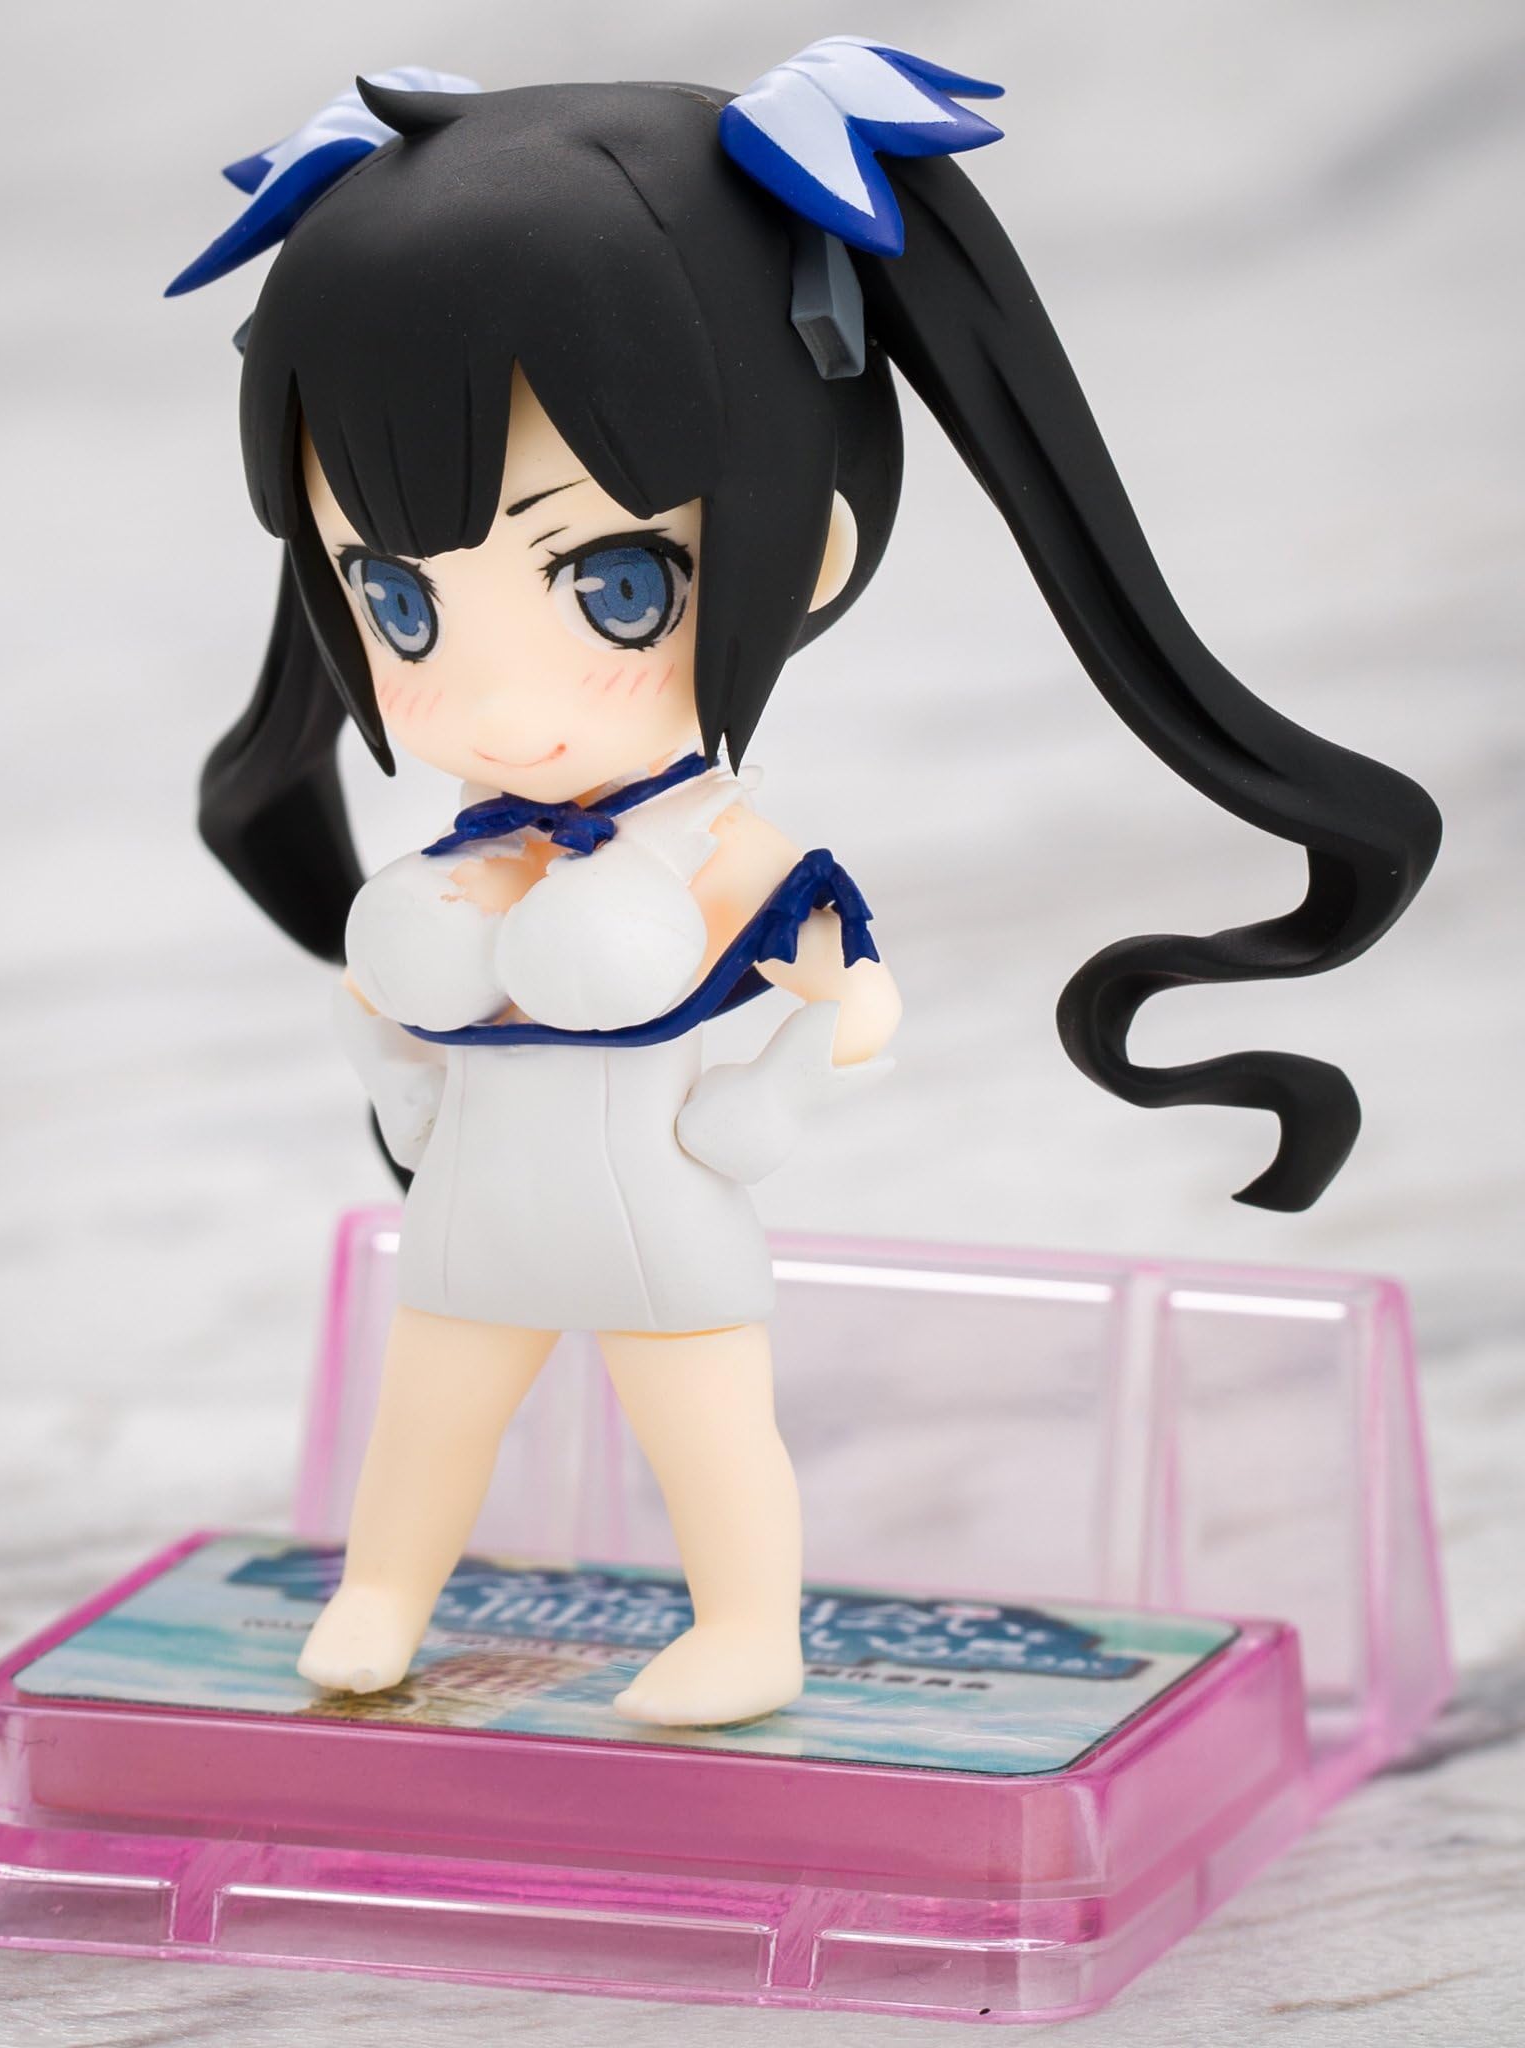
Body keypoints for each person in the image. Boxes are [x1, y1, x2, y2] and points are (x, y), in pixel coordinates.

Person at [174, 41, 1439, 1726]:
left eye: (612, 585)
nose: (493, 702)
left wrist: (804, 1038)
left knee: (705, 1432)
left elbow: (849, 1017)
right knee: (429, 1417)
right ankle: (383, 1595)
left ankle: (748, 1630)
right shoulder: (469, 843)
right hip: (477, 1204)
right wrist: (388, 1038)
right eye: (397, 601)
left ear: (810, 546)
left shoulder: (728, 851)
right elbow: (391, 1029)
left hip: (663, 1207)